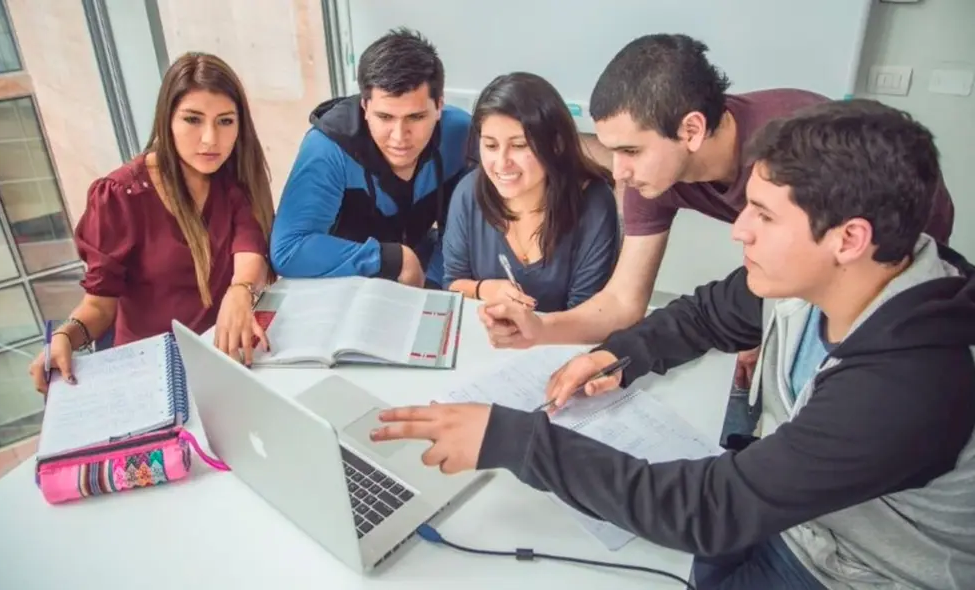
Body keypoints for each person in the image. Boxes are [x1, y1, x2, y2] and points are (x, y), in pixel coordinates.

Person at [369, 100, 975, 589]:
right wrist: (618, 355)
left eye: (763, 216)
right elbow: (706, 315)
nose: (739, 228)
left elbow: (714, 509)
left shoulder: (908, 386)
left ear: (849, 238)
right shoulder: (823, 276)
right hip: (795, 519)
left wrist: (510, 437)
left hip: (846, 571)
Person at [478, 33, 957, 440]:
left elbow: (860, 273)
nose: (618, 172)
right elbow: (627, 302)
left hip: (897, 243)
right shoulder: (653, 174)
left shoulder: (790, 149)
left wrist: (779, 328)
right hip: (808, 281)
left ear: (691, 129)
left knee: (841, 397)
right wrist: (544, 330)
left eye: (629, 151)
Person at [28, 52, 274, 391]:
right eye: (192, 119)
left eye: (225, 121)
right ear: (167, 120)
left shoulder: (233, 178)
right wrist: (65, 337)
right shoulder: (119, 196)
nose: (210, 139)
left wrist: (239, 291)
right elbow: (99, 307)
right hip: (149, 373)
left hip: (220, 360)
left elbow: (250, 251)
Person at [270, 28, 472, 288]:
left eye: (416, 117)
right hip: (344, 277)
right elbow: (288, 250)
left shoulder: (462, 134)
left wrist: (434, 285)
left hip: (425, 266)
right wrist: (392, 259)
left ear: (439, 106)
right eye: (385, 117)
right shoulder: (327, 147)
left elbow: (463, 233)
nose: (400, 136)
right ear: (365, 107)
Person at [442, 72, 619, 313]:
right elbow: (452, 285)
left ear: (555, 145)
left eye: (518, 145)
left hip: (562, 343)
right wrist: (484, 290)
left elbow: (587, 313)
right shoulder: (468, 193)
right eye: (491, 146)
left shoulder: (594, 203)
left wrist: (531, 329)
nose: (502, 162)